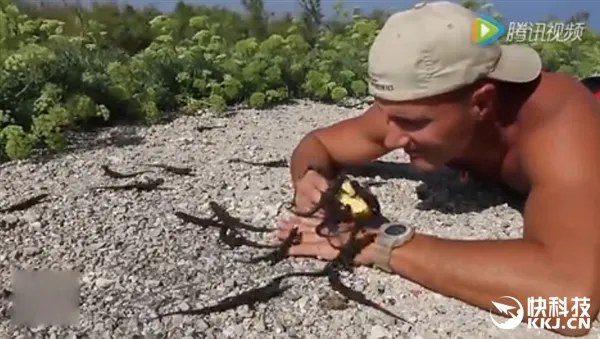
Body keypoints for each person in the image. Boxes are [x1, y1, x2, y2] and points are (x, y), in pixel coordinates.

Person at [275, 1, 600, 337]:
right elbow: (318, 144)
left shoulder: (558, 122)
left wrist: (383, 243)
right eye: (389, 116)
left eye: (412, 123)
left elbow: (569, 295)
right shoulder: (423, 105)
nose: (392, 138)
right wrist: (310, 179)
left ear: (482, 103)